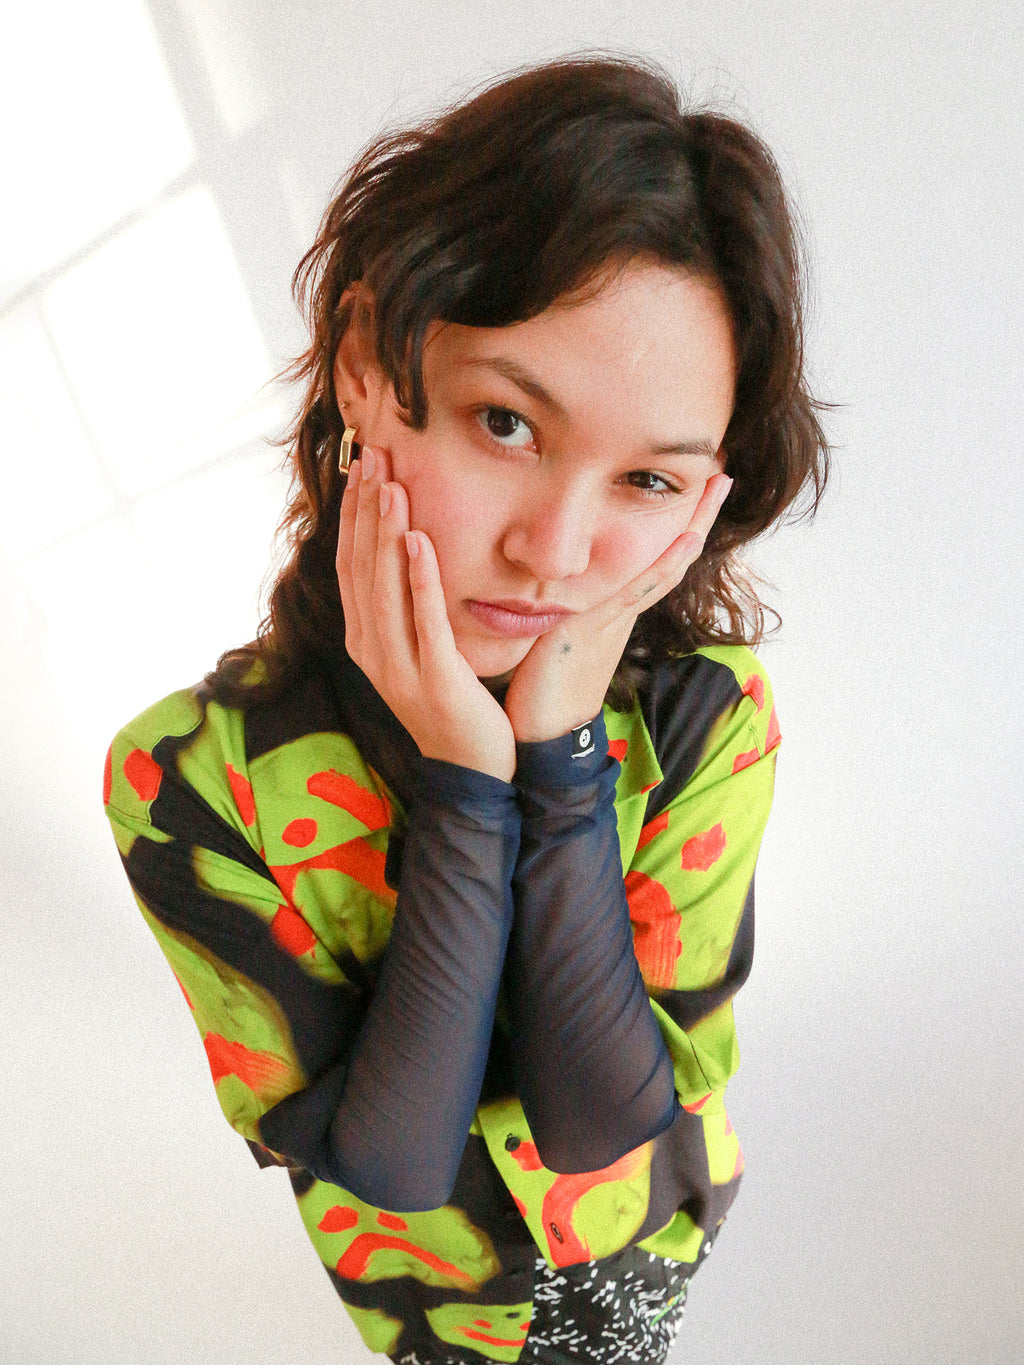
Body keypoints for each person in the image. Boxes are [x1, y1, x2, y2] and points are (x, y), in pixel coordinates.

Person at [104, 55, 828, 1365]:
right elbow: (388, 1162)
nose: (556, 551)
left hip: (647, 1248)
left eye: (648, 481)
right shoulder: (191, 775)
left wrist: (562, 762)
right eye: (506, 421)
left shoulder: (710, 718)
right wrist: (463, 784)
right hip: (429, 1312)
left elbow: (602, 1124)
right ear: (365, 367)